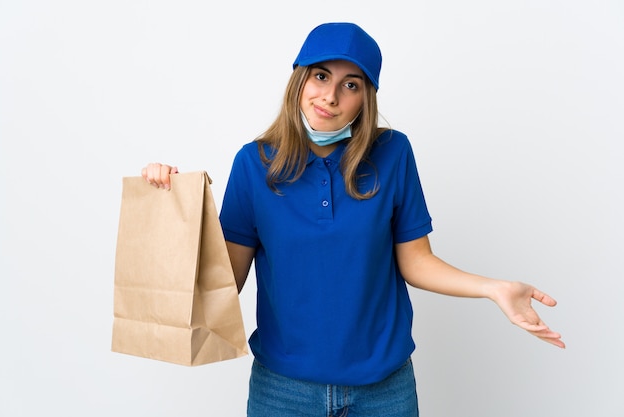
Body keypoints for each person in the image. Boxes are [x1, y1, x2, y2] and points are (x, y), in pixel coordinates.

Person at [141, 22, 564, 417]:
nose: (330, 96)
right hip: (283, 389)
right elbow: (226, 281)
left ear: (367, 97)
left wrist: (494, 289)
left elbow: (415, 260)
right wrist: (172, 207)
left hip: (384, 388)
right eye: (321, 76)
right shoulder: (255, 163)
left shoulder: (393, 153)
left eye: (351, 84)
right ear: (299, 80)